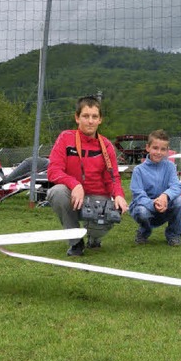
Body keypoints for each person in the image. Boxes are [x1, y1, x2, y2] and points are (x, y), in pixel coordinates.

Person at [46, 95, 128, 257]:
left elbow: (112, 178)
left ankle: (94, 236)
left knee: (115, 211)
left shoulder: (106, 146)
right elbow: (53, 170)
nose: (90, 121)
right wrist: (75, 184)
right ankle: (75, 242)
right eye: (85, 116)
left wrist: (118, 195)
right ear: (77, 118)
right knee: (57, 192)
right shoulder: (66, 138)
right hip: (75, 198)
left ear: (100, 120)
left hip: (98, 199)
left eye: (94, 117)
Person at [129, 129, 181, 246]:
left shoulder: (170, 167)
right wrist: (153, 203)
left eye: (163, 149)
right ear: (147, 147)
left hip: (165, 206)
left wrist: (165, 196)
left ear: (167, 151)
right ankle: (144, 231)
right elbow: (138, 194)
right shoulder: (138, 170)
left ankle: (173, 234)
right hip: (146, 208)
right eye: (155, 148)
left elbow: (177, 186)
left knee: (179, 200)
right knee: (141, 211)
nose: (158, 152)